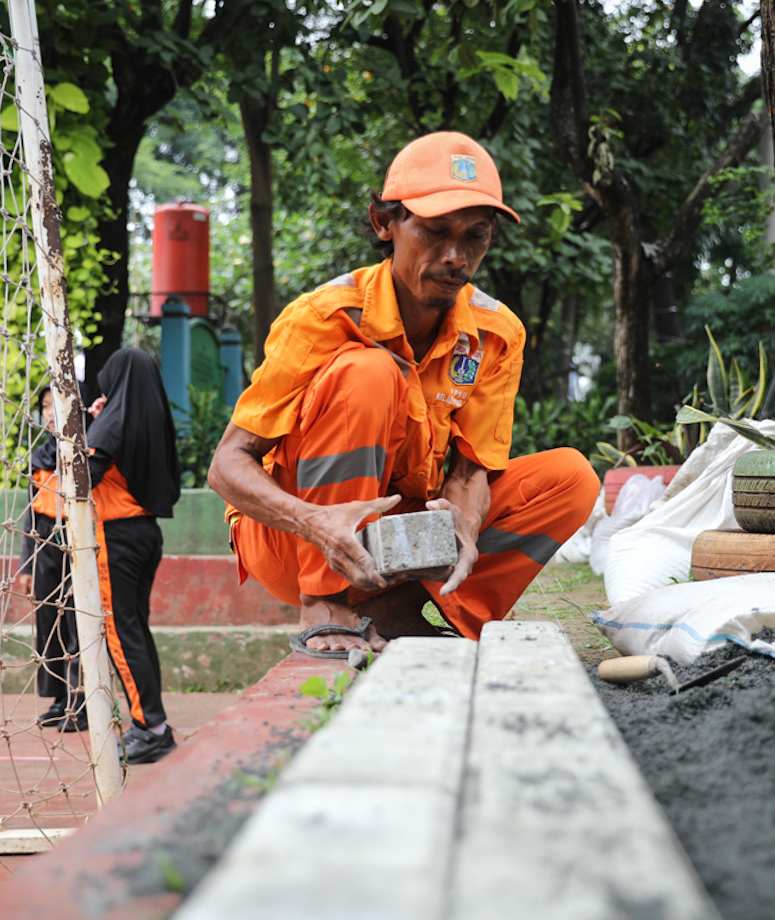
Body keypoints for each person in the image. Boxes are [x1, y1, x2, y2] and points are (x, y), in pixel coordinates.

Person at [208, 131, 599, 657]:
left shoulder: (496, 333)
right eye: (435, 232)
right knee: (369, 372)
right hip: (295, 539)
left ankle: (401, 611)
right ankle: (326, 604)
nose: (456, 256)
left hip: (397, 540)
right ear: (383, 223)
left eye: (476, 237)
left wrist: (465, 523)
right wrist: (315, 523)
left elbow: (471, 473)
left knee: (570, 478)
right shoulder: (324, 317)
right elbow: (226, 464)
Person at [85, 348, 182, 764]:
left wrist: (92, 428)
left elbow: (85, 477)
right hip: (147, 534)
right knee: (136, 629)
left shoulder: (111, 424)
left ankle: (151, 729)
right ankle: (152, 724)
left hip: (117, 535)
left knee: (120, 633)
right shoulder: (153, 422)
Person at [17, 387, 83, 732]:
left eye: (55, 405)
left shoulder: (85, 450)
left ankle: (81, 698)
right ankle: (59, 697)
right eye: (44, 407)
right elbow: (31, 513)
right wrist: (26, 564)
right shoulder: (40, 456)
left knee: (76, 619)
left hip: (78, 538)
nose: (49, 413)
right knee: (48, 618)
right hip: (45, 541)